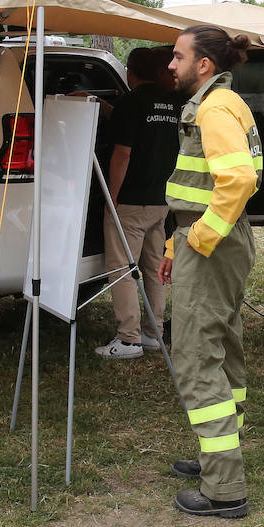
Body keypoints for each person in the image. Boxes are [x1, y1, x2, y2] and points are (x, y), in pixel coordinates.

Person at [158, 25, 262, 518]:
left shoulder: (213, 107)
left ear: (203, 64)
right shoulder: (224, 100)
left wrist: (197, 237)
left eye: (178, 57)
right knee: (223, 345)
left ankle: (224, 487)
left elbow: (238, 178)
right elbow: (202, 182)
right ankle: (220, 453)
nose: (171, 66)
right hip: (218, 238)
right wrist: (176, 242)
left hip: (212, 241)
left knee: (197, 354)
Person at [95, 46, 181, 360]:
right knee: (153, 268)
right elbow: (145, 126)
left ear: (130, 71)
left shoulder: (131, 102)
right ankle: (152, 333)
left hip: (130, 201)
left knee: (121, 269)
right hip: (161, 198)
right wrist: (105, 108)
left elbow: (123, 153)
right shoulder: (173, 103)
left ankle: (128, 339)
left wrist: (111, 197)